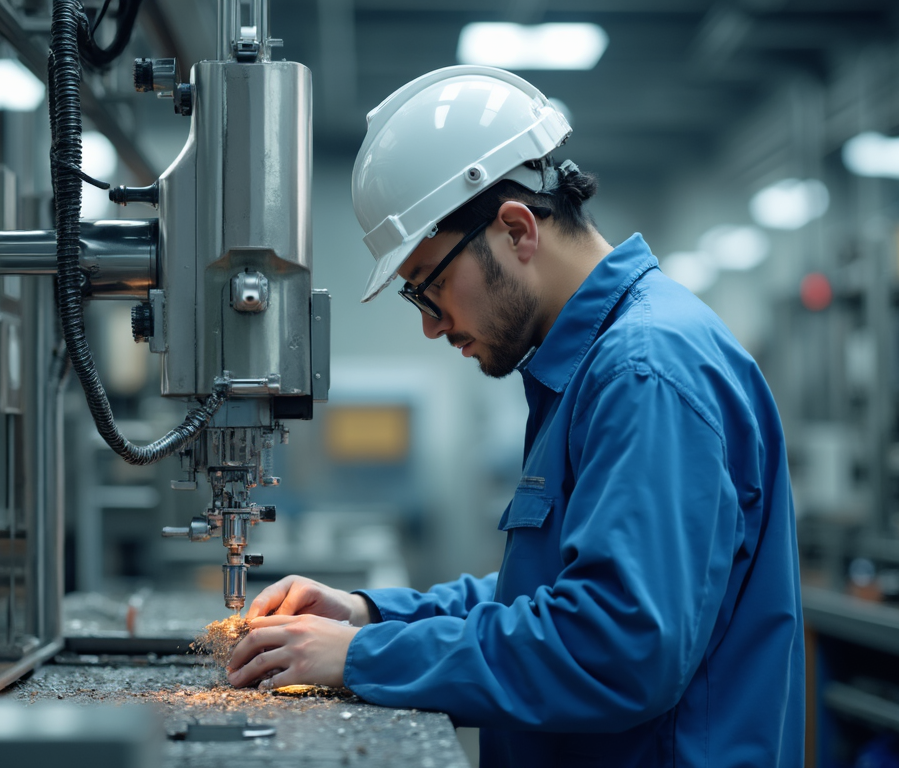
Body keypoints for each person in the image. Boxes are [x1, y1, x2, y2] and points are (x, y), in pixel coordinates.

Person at [226, 65, 804, 767]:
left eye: (429, 288)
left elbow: (615, 648)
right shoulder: (595, 365)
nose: (432, 328)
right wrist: (370, 615)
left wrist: (363, 657)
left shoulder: (643, 370)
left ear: (517, 229)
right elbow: (544, 596)